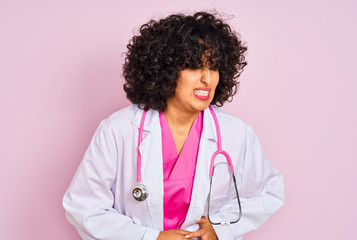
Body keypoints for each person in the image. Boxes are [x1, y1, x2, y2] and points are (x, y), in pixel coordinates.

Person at [63, 11, 285, 240]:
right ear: (166, 70)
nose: (207, 79)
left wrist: (221, 228)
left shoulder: (236, 133)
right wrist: (150, 238)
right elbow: (83, 206)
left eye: (214, 66)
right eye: (194, 66)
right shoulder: (119, 130)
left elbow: (270, 191)